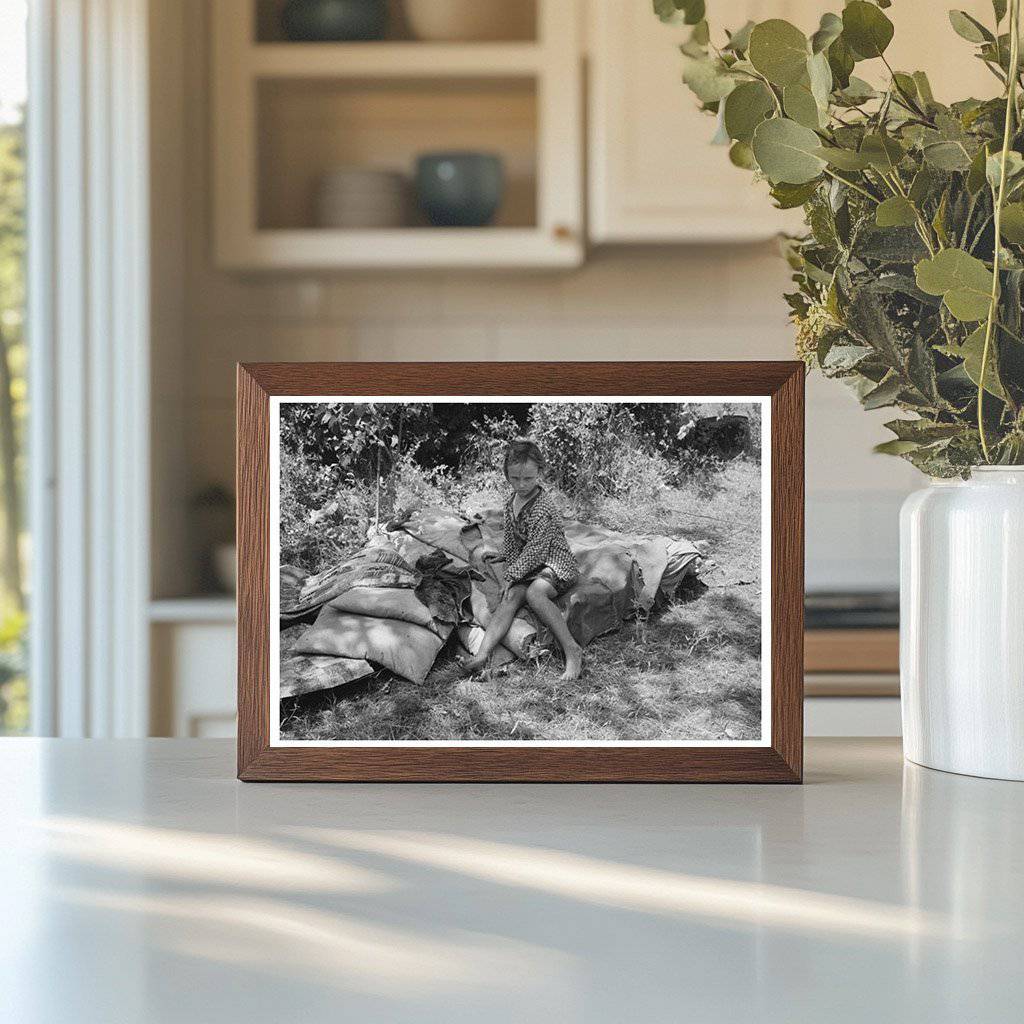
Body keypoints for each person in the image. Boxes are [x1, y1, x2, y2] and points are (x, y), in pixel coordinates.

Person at [463, 439, 583, 680]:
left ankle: (572, 649)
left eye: (528, 478)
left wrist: (512, 574)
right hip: (531, 565)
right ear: (507, 474)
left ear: (540, 472)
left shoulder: (543, 508)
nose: (521, 484)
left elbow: (537, 550)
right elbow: (510, 536)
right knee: (510, 596)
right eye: (515, 478)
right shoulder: (511, 502)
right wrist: (507, 556)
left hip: (554, 563)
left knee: (534, 594)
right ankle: (482, 655)